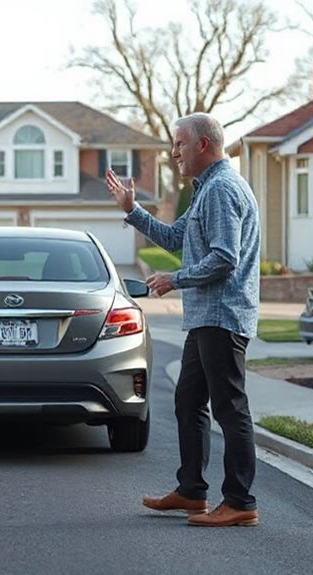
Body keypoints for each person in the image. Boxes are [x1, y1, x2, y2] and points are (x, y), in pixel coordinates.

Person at [105, 112, 261, 527]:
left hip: (222, 316)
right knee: (188, 400)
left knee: (230, 408)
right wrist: (132, 210)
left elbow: (224, 258)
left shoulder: (223, 189)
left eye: (179, 144)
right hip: (206, 317)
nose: (173, 152)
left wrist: (176, 280)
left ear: (203, 145)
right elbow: (178, 239)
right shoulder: (207, 190)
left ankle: (241, 502)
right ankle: (192, 491)